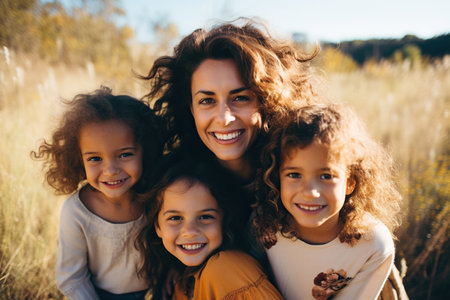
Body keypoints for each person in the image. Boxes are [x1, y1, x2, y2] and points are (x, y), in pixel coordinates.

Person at [252, 103, 403, 300]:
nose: (310, 192)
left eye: (325, 176)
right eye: (294, 174)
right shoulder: (265, 227)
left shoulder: (372, 244)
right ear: (277, 178)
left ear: (350, 183)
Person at [140, 18, 318, 182]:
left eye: (240, 98)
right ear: (191, 108)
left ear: (268, 102)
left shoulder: (304, 176)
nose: (224, 118)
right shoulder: (171, 185)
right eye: (207, 101)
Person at [31, 87, 164, 299]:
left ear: (145, 151)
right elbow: (72, 278)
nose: (111, 170)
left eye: (125, 155)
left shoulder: (157, 197)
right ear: (78, 158)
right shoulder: (77, 212)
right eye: (95, 158)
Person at [135, 153, 283, 299]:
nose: (190, 232)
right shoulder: (181, 283)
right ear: (158, 227)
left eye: (205, 217)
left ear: (224, 221)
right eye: (175, 218)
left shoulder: (227, 270)